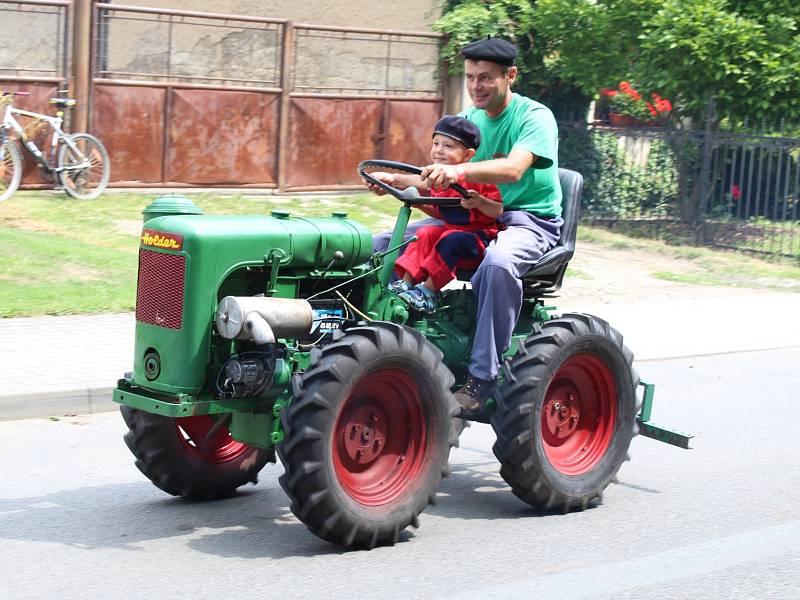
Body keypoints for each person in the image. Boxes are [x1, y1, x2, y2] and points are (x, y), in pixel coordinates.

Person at [370, 37, 563, 416]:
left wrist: (458, 170)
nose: (475, 86)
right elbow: (442, 182)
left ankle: (482, 377)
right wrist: (392, 180)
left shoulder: (534, 117)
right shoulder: (471, 121)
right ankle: (383, 339)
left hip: (528, 219)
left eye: (486, 78)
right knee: (381, 244)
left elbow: (513, 168)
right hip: (473, 215)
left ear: (510, 76)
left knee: (498, 264)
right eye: (471, 77)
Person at [381, 116, 503, 313]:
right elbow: (440, 211)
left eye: (448, 146)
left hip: (478, 241)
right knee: (424, 233)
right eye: (436, 143)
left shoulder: (478, 177)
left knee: (451, 239)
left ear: (467, 155)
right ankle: (405, 284)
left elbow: (497, 210)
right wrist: (414, 200)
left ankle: (428, 292)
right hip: (451, 232)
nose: (439, 150)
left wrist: (479, 201)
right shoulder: (438, 180)